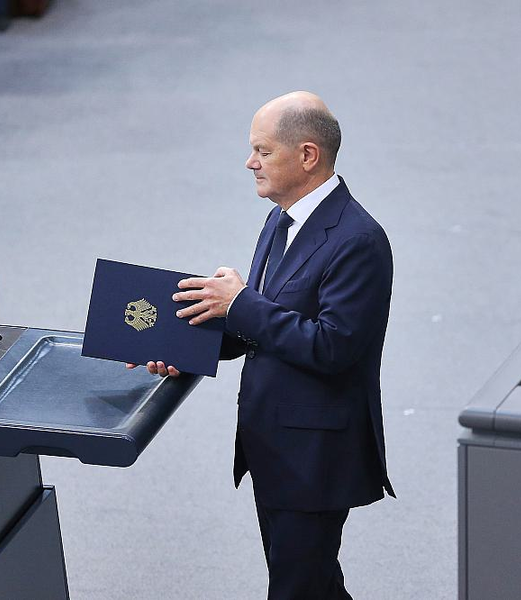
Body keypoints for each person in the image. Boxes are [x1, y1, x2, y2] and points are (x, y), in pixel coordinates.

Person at [128, 91, 394, 599]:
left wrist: (241, 302)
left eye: (263, 151)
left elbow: (333, 347)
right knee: (313, 584)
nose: (250, 162)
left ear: (308, 155)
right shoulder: (282, 217)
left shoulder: (359, 240)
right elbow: (266, 324)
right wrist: (183, 345)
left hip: (315, 458)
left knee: (297, 588)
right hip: (274, 445)